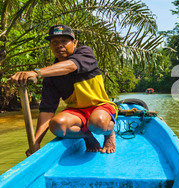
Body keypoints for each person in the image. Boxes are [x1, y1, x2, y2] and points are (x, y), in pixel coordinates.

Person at [10, 24, 118, 156]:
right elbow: (47, 110)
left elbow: (71, 66)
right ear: (50, 46)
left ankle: (109, 133)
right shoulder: (50, 76)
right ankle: (87, 136)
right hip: (77, 112)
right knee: (56, 125)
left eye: (64, 41)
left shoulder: (85, 53)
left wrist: (36, 72)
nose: (59, 45)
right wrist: (36, 143)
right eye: (54, 42)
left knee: (98, 123)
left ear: (74, 42)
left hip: (100, 107)